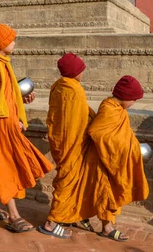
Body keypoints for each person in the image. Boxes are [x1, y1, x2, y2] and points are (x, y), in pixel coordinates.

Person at [0, 24, 53, 232]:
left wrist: (19, 102)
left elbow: (3, 97)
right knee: (5, 165)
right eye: (10, 40)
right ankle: (14, 215)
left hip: (3, 122)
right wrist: (11, 119)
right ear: (0, 44)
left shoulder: (3, 63)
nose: (14, 43)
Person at [81, 75, 149, 242]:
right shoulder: (109, 109)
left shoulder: (119, 110)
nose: (133, 104)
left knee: (110, 193)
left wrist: (130, 146)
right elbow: (97, 132)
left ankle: (89, 218)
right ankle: (106, 227)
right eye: (133, 100)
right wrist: (126, 148)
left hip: (114, 159)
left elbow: (123, 134)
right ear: (124, 97)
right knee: (106, 194)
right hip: (104, 160)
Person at [39, 53, 95, 239]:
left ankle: (68, 214)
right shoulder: (75, 91)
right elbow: (79, 120)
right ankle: (51, 222)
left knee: (66, 178)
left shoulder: (58, 86)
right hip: (73, 145)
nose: (82, 74)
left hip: (59, 142)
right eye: (81, 71)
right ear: (74, 72)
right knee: (67, 181)